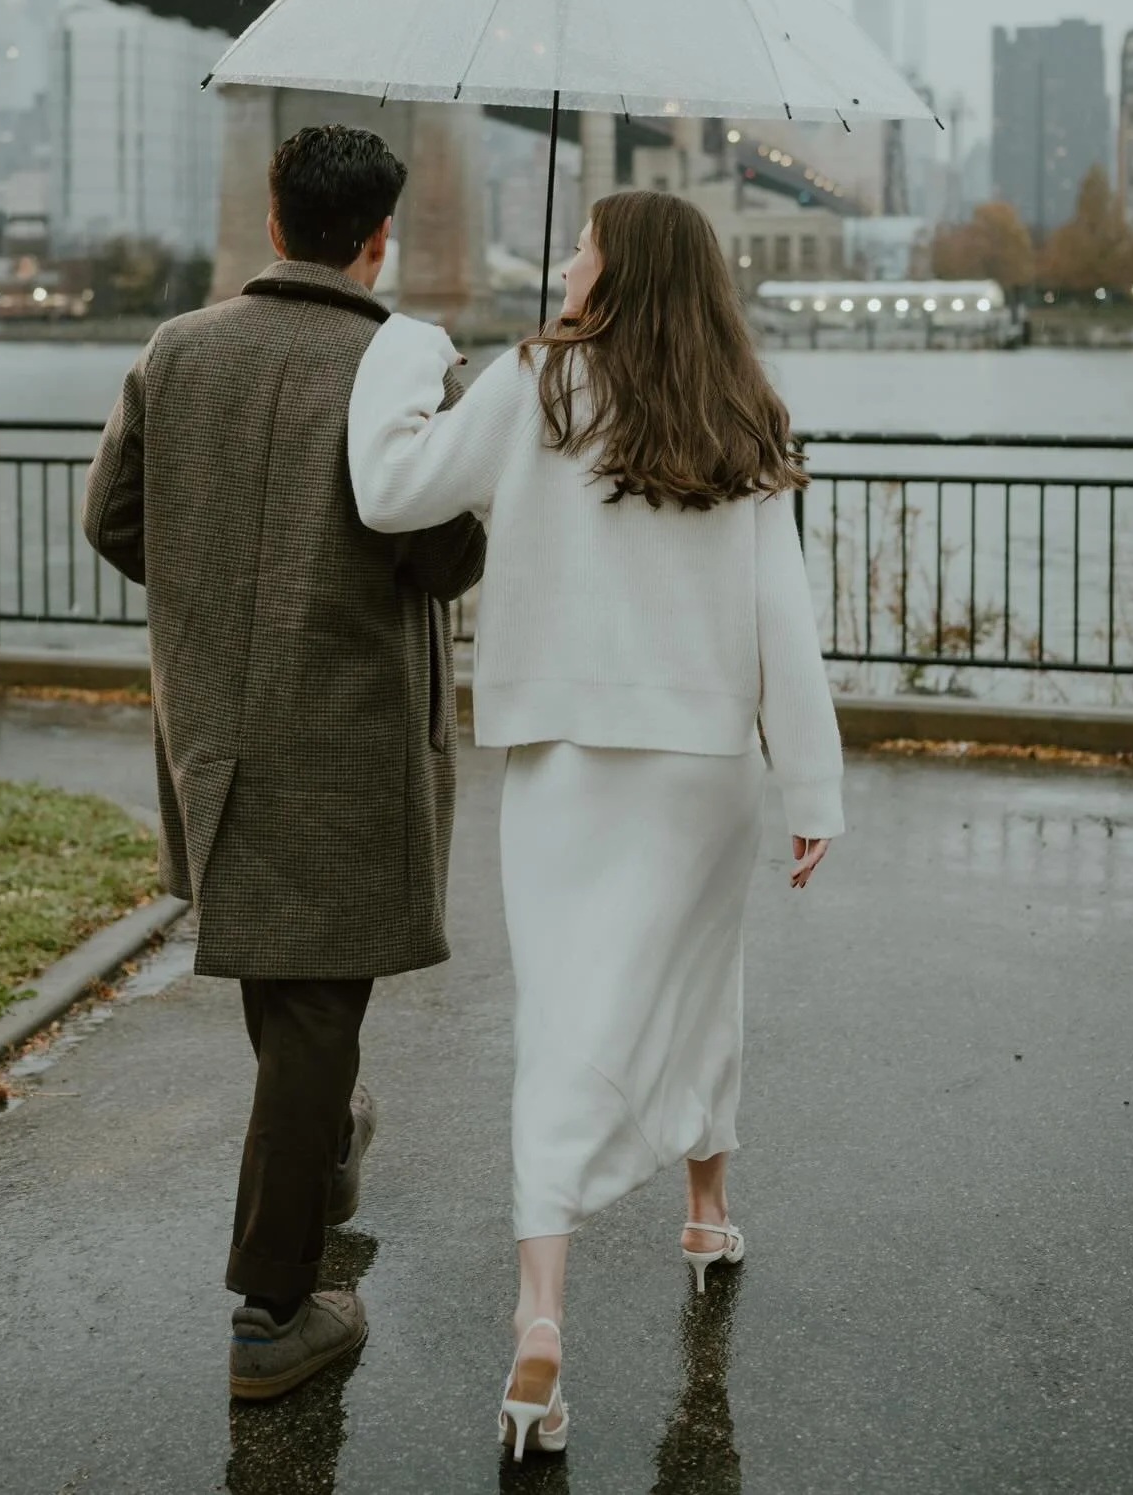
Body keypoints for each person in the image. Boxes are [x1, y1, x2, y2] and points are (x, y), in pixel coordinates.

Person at [347, 189, 843, 1459]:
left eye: (584, 244)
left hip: (565, 754)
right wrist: (812, 786)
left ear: (620, 272)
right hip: (706, 766)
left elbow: (393, 487)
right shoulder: (741, 409)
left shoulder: (534, 383)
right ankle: (706, 1210)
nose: (567, 260)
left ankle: (541, 1319)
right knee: (695, 978)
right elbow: (782, 610)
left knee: (565, 1018)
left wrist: (407, 345)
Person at [82, 124, 485, 1402]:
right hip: (351, 730)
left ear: (272, 220)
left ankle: (322, 1157)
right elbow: (446, 557)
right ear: (379, 237)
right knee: (317, 1004)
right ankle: (273, 1311)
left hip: (217, 719)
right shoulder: (398, 363)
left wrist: (212, 596)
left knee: (291, 982)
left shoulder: (175, 351)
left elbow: (111, 517)